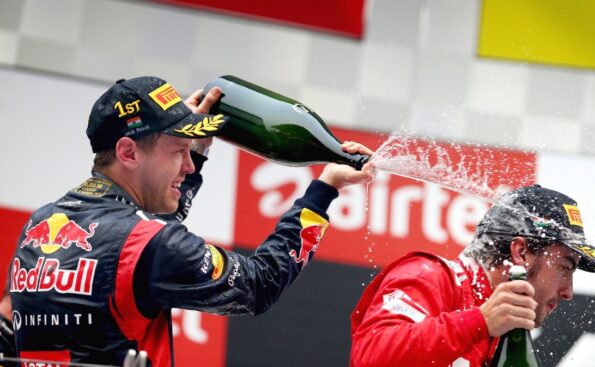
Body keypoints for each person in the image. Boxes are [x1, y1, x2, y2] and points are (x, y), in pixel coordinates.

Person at [9, 76, 374, 367]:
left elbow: (141, 234)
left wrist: (190, 144)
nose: (188, 165)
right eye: (178, 152)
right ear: (128, 152)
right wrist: (324, 190)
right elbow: (259, 284)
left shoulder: (40, 224)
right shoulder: (149, 243)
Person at [350, 184, 595, 366]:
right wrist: (479, 321)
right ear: (521, 252)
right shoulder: (432, 275)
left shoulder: (503, 328)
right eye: (566, 266)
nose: (568, 291)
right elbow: (369, 357)